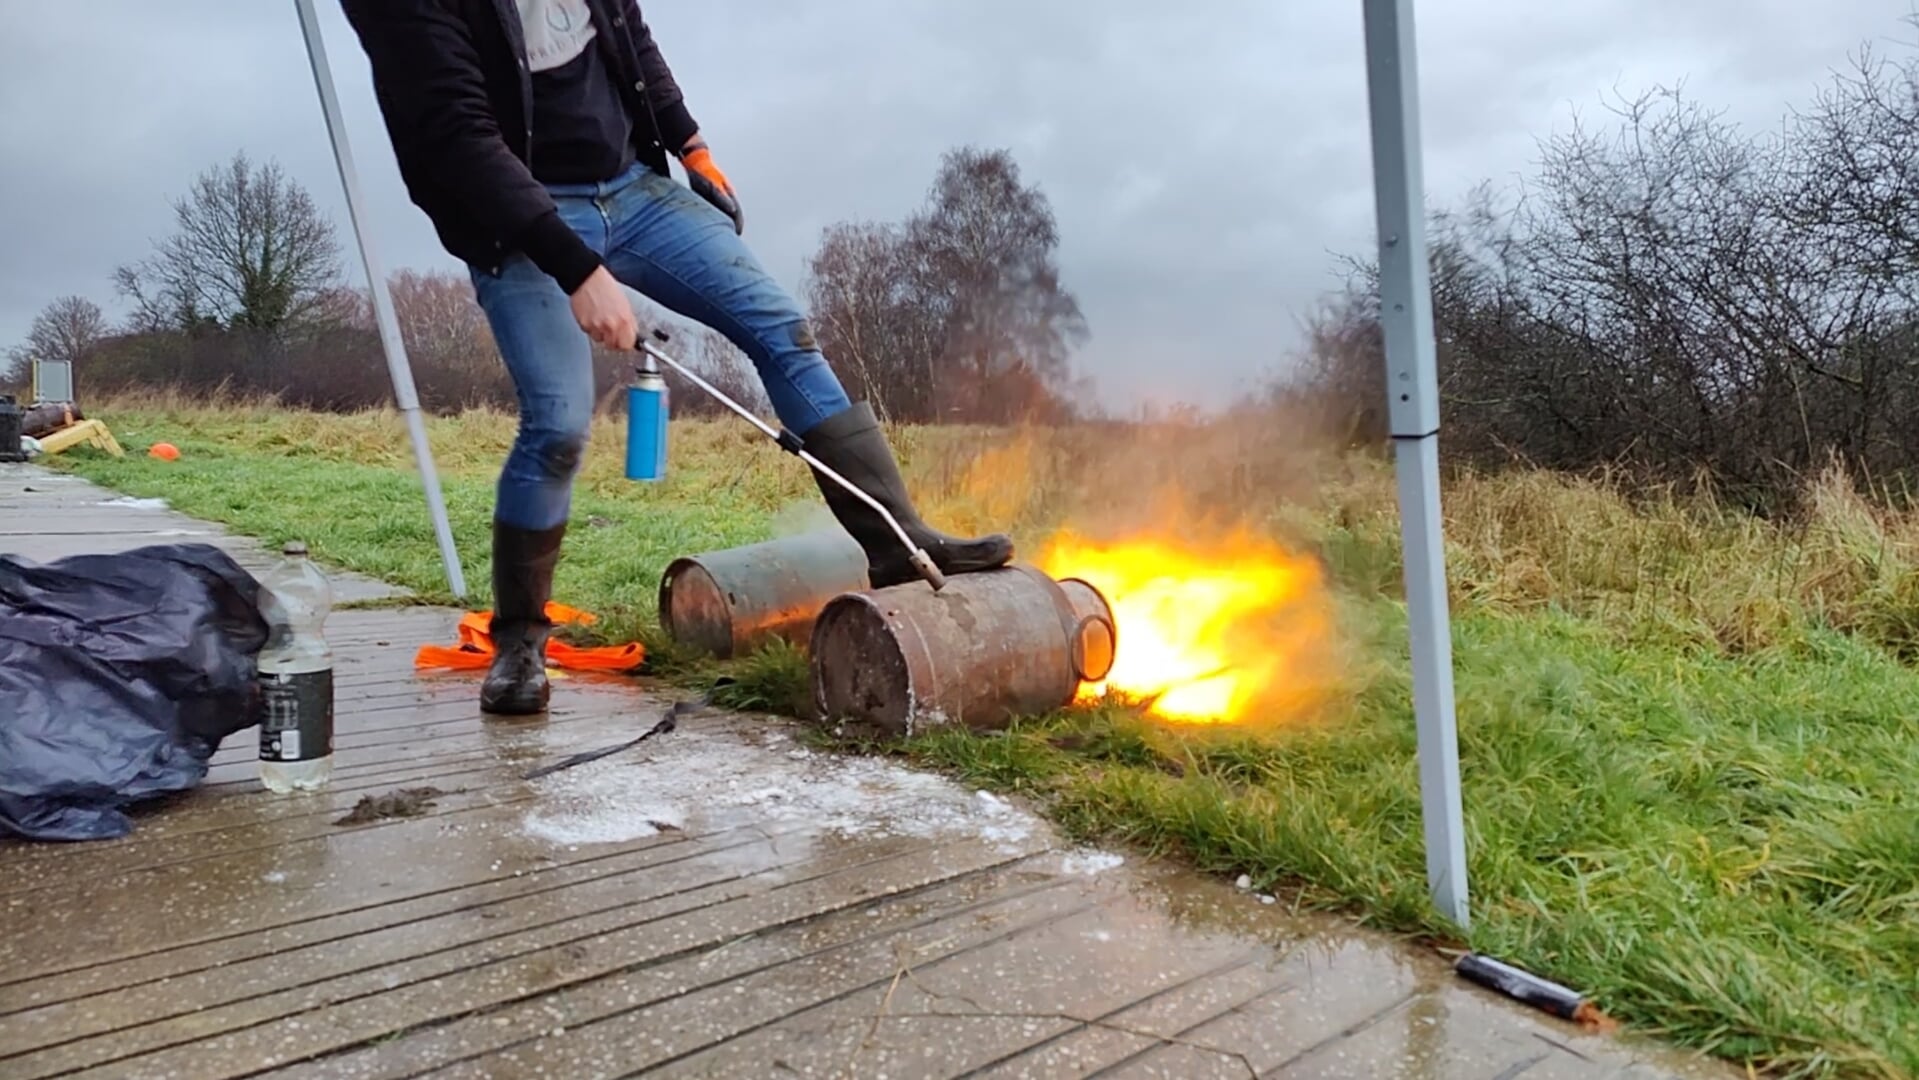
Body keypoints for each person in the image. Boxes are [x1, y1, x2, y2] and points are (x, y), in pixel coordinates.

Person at [339, 0, 1014, 715]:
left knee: (783, 332)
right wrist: (575, 269)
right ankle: (518, 646)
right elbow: (455, 138)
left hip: (633, 191)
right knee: (558, 424)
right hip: (521, 216)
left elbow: (628, 33)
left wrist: (690, 143)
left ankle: (900, 547)